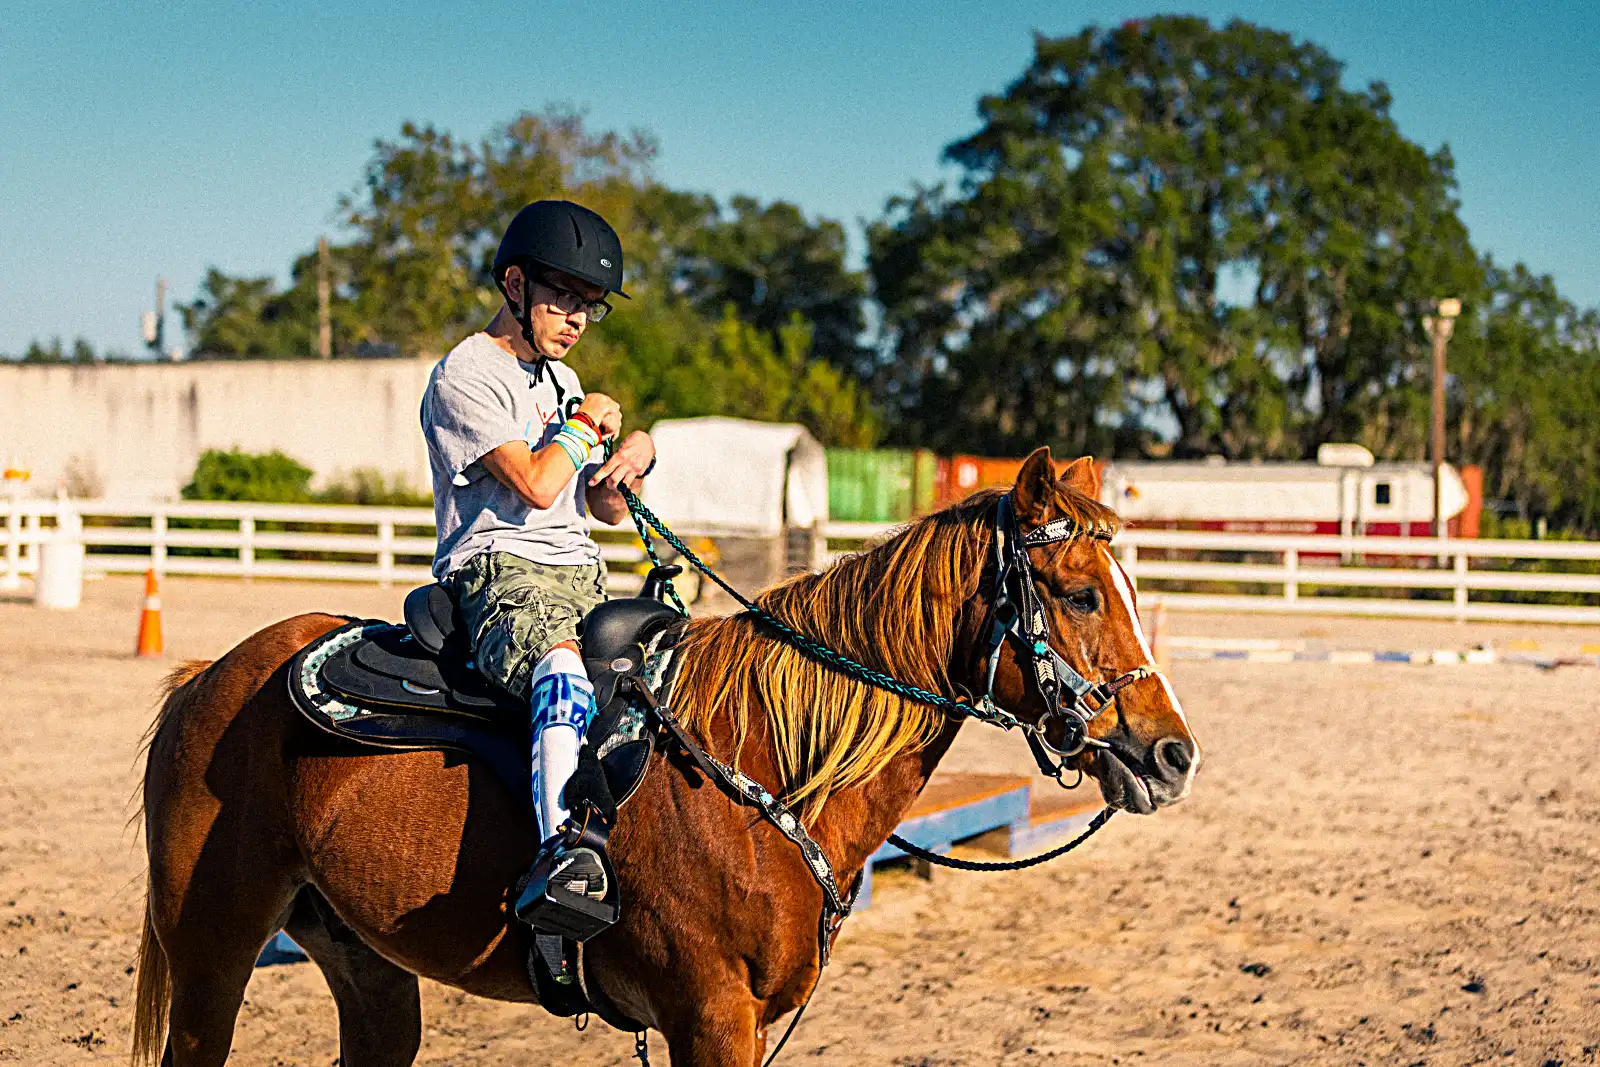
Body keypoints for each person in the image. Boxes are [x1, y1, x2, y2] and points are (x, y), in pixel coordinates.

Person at [419, 200, 656, 912]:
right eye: (564, 297)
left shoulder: (564, 382)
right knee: (560, 666)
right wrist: (585, 425)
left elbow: (599, 508)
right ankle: (561, 857)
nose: (578, 318)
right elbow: (535, 482)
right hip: (497, 572)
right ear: (516, 286)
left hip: (580, 569)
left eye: (590, 305)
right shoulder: (464, 375)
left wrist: (632, 463)